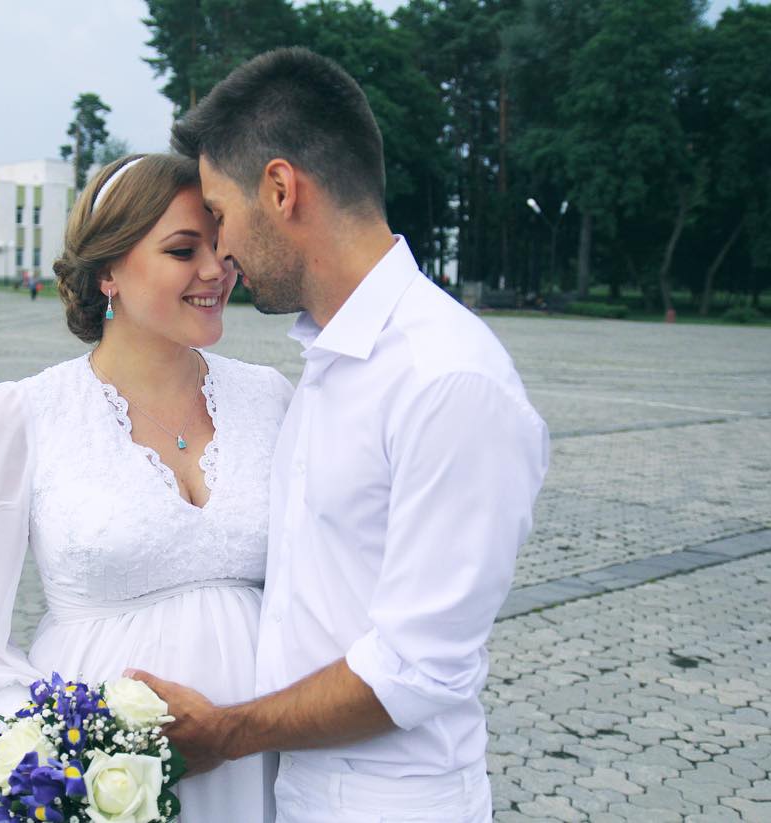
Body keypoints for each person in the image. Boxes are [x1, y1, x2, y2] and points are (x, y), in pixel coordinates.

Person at [127, 48, 550, 822]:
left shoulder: (447, 380)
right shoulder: (327, 363)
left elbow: (416, 669)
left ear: (281, 189)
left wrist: (227, 733)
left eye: (219, 213)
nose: (220, 251)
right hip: (299, 789)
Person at [0, 153, 292, 822]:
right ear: (108, 272)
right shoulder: (26, 414)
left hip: (264, 761)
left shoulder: (271, 397)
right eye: (183, 250)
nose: (216, 269)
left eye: (220, 246)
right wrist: (63, 751)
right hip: (109, 779)